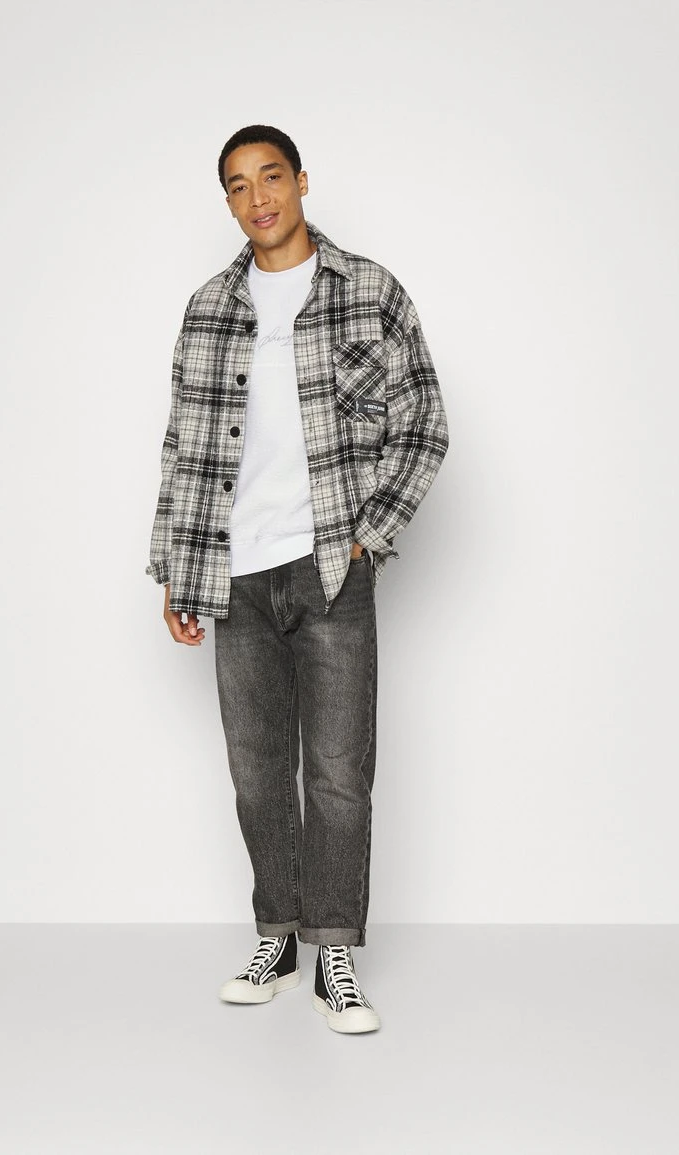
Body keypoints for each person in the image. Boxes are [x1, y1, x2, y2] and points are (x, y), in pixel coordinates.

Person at [146, 124, 449, 1034]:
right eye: (239, 186)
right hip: (232, 573)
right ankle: (276, 936)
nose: (259, 198)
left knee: (341, 774)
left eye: (270, 176)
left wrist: (366, 537)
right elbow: (183, 444)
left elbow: (424, 424)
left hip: (327, 570)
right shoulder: (209, 307)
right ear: (229, 203)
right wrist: (176, 568)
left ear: (302, 182)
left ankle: (334, 955)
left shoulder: (369, 291)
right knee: (256, 774)